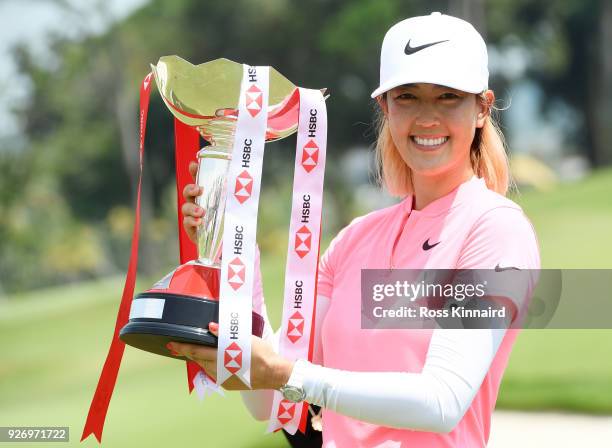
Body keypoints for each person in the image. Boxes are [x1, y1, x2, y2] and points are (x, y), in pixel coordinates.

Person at [168, 12, 541, 448]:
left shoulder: (495, 229)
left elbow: (443, 401)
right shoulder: (353, 241)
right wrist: (236, 244)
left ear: (481, 107)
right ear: (384, 106)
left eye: (448, 97)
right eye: (407, 97)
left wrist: (291, 375)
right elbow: (271, 404)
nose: (426, 118)